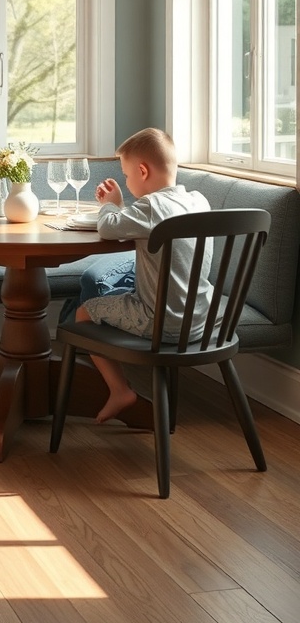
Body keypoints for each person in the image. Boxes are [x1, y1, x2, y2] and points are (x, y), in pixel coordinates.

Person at [76, 128, 212, 423]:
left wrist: (111, 204)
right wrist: (124, 208)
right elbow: (140, 223)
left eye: (126, 175)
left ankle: (120, 390)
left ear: (142, 171)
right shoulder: (198, 201)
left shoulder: (151, 207)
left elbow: (107, 227)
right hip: (200, 321)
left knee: (83, 313)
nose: (125, 180)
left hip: (160, 323)